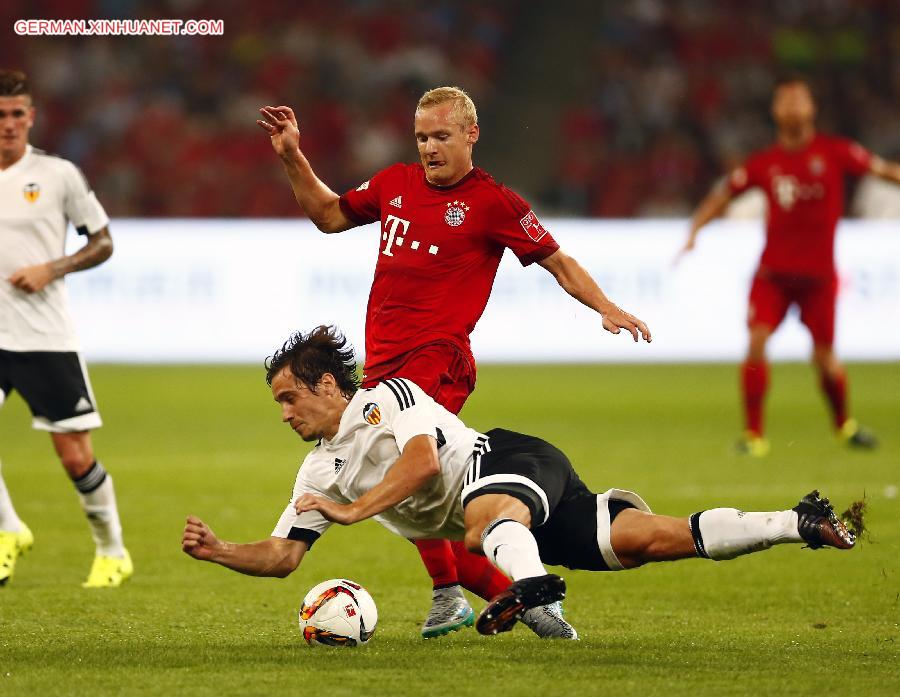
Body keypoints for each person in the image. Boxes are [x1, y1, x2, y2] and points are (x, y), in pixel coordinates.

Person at [255, 86, 652, 636]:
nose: (429, 148)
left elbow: (557, 260)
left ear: (471, 135)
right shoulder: (395, 184)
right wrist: (293, 157)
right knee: (412, 488)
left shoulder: (494, 202)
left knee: (412, 474)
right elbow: (327, 215)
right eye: (421, 137)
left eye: (441, 136)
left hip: (438, 362)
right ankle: (472, 592)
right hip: (383, 371)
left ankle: (484, 594)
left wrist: (606, 308)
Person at [182, 326, 860, 639]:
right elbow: (284, 556)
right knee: (653, 539)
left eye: (287, 397)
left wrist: (354, 511)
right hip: (524, 510)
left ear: (327, 384)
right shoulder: (315, 470)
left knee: (479, 523)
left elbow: (420, 463)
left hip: (511, 459)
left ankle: (528, 588)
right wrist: (219, 550)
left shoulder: (383, 397)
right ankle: (796, 522)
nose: (284, 412)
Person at [679, 76, 900, 457]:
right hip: (774, 276)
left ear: (812, 108)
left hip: (819, 278)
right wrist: (695, 229)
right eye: (786, 100)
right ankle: (753, 436)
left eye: (800, 99)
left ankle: (844, 426)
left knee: (825, 359)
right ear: (775, 111)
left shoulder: (836, 152)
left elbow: (883, 171)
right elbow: (724, 193)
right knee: (756, 343)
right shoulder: (766, 163)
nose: (794, 105)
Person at [0, 69, 132, 587]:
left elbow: (102, 242)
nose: (8, 125)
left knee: (74, 456)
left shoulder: (58, 176)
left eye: (16, 115)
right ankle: (9, 530)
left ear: (30, 118)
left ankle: (112, 550)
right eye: (0, 116)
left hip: (44, 337)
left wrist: (50, 268)